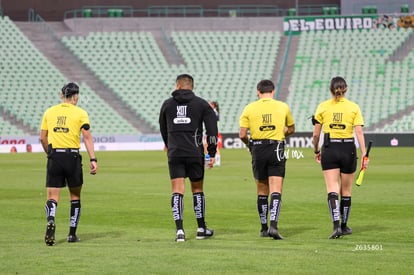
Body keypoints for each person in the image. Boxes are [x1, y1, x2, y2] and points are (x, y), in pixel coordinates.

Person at [159, 74, 218, 242]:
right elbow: (212, 130)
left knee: (177, 190)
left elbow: (163, 127)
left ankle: (179, 231)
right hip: (194, 152)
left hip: (175, 152)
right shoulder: (201, 104)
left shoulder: (167, 104)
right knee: (197, 189)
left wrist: (168, 144)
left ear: (177, 86)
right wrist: (211, 153)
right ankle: (201, 228)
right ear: (191, 86)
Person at [40, 82, 98, 246]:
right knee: (75, 197)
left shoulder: (49, 112)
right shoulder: (81, 113)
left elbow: (42, 138)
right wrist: (93, 159)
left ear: (61, 95)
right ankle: (72, 234)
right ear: (76, 96)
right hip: (72, 157)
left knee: (52, 197)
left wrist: (49, 154)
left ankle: (51, 219)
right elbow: (87, 136)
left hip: (55, 157)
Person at [312, 76, 368, 239]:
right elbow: (359, 132)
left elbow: (316, 134)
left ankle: (336, 225)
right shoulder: (353, 107)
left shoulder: (323, 107)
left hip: (330, 148)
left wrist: (316, 151)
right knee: (346, 191)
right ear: (346, 89)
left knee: (332, 188)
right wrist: (364, 154)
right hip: (348, 148)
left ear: (331, 89)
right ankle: (344, 226)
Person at [239, 79, 295, 239]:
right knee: (276, 189)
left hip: (258, 148)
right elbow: (291, 128)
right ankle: (274, 226)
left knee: (262, 190)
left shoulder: (249, 108)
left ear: (258, 91)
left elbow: (242, 134)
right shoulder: (283, 106)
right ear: (273, 91)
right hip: (276, 147)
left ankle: (263, 228)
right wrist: (279, 133)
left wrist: (250, 145)